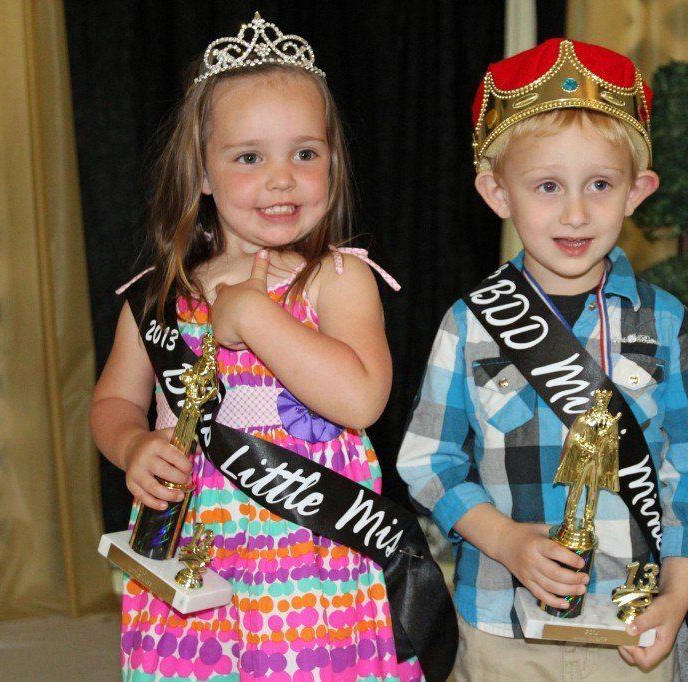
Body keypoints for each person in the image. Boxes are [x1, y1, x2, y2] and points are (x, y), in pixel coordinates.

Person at [90, 14, 429, 680]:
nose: (282, 178)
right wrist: (131, 445)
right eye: (250, 157)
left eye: (305, 153)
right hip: (196, 544)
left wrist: (254, 317)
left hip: (312, 554)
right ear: (204, 174)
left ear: (333, 162)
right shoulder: (161, 295)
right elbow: (111, 400)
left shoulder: (336, 277)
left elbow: (361, 398)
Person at [397, 38, 688, 681]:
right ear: (498, 192)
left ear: (638, 190)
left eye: (600, 184)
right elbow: (427, 461)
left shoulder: (666, 324)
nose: (576, 212)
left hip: (634, 626)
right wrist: (507, 541)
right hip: (501, 618)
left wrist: (680, 592)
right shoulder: (469, 324)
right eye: (547, 186)